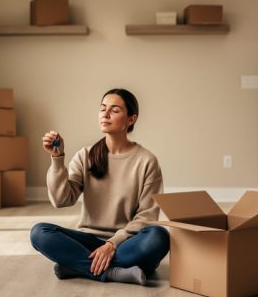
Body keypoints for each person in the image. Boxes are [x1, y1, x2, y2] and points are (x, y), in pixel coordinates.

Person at [30, 88, 170, 285]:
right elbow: (61, 200)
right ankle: (114, 272)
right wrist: (57, 158)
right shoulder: (85, 155)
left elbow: (147, 216)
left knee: (159, 237)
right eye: (103, 108)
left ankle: (76, 265)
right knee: (39, 232)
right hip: (88, 241)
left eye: (114, 110)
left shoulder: (146, 161)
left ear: (131, 119)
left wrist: (112, 244)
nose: (105, 114)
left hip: (126, 243)